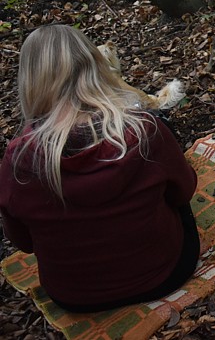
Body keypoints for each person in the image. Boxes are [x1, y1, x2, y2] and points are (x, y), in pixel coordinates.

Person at [0, 25, 199, 312]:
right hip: (164, 277)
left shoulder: (17, 159)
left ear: (30, 81)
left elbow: (23, 242)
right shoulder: (144, 130)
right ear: (94, 64)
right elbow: (184, 191)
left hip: (73, 298)